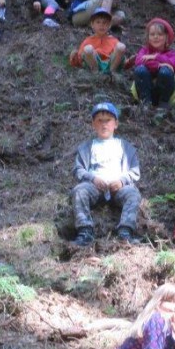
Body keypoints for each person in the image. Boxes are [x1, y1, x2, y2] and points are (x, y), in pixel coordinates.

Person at [72, 102, 141, 246]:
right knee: (79, 191)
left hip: (119, 188)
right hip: (94, 187)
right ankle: (85, 231)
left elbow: (135, 171)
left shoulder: (125, 147)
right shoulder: (86, 148)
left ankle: (125, 231)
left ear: (116, 123)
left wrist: (121, 181)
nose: (104, 125)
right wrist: (92, 178)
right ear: (93, 124)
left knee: (133, 194)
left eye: (108, 120)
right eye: (100, 120)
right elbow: (78, 169)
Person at [133, 18, 175, 114]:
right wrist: (158, 65)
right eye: (152, 34)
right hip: (144, 90)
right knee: (140, 70)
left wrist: (156, 57)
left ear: (166, 37)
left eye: (160, 34)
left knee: (165, 71)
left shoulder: (171, 53)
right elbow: (138, 61)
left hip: (164, 92)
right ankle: (145, 103)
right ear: (148, 37)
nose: (156, 37)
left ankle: (163, 103)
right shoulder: (144, 50)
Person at [69, 9, 126, 74]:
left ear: (109, 25)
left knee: (121, 46)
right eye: (98, 22)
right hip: (94, 63)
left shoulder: (114, 40)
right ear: (92, 24)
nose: (101, 25)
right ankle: (96, 74)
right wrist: (75, 58)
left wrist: (130, 62)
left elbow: (121, 59)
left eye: (104, 22)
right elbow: (80, 58)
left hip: (110, 64)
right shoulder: (88, 40)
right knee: (88, 49)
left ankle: (111, 73)